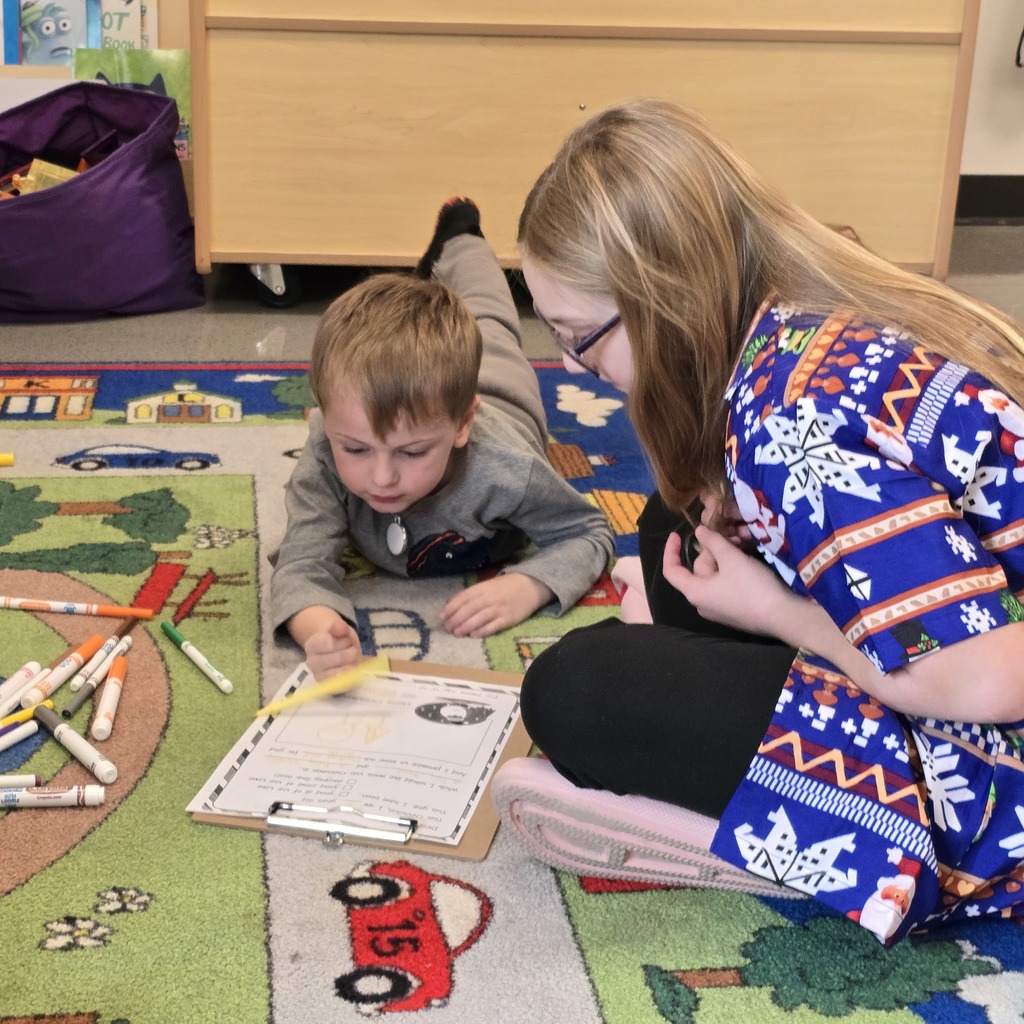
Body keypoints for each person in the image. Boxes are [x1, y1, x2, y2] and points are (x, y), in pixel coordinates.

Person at [491, 99, 1024, 945]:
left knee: (575, 691)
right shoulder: (808, 307)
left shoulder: (788, 422)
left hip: (993, 774)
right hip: (975, 632)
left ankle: (803, 844)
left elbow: (988, 679)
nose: (569, 366)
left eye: (578, 337)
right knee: (678, 524)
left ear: (659, 305)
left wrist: (779, 614)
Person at [270, 198, 614, 681]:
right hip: (437, 392)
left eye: (412, 453)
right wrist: (320, 630)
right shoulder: (326, 449)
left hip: (503, 390)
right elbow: (300, 561)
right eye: (357, 449)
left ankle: (462, 235)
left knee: (490, 318)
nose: (382, 477)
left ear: (462, 426)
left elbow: (589, 533)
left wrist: (529, 585)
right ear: (325, 420)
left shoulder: (508, 469)